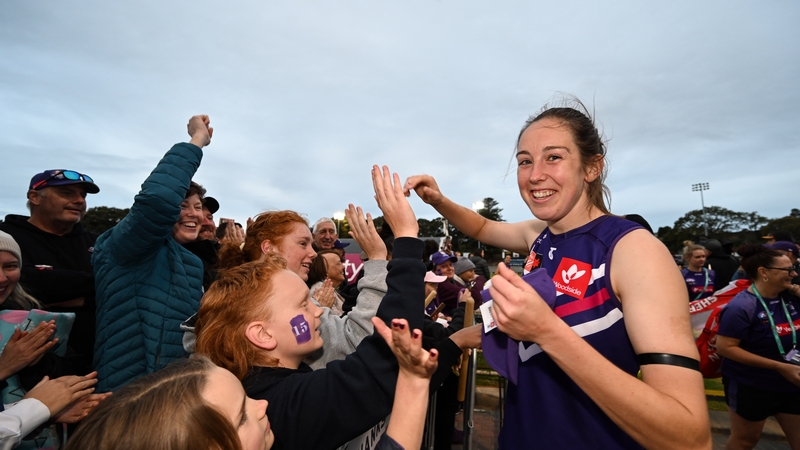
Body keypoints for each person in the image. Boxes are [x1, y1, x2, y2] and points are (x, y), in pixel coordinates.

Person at [405, 100, 711, 448]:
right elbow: (482, 225)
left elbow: (689, 436)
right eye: (524, 161)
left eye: (553, 157)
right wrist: (438, 200)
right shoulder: (539, 235)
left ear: (592, 167)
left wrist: (546, 332)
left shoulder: (633, 251)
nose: (535, 175)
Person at [194, 166, 475, 450]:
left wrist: (454, 342)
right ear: (262, 333)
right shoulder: (282, 404)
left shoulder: (285, 385)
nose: (318, 311)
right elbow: (379, 363)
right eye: (303, 305)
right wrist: (405, 237)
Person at [92, 115, 213, 392]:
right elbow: (158, 200)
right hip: (125, 393)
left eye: (198, 206)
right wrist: (196, 141)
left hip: (174, 392)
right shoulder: (123, 246)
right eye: (183, 205)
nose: (194, 213)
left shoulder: (191, 263)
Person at [216, 207, 389, 370]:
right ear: (269, 249)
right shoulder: (273, 302)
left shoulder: (231, 293)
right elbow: (356, 341)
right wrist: (377, 259)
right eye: (302, 243)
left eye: (311, 244)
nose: (313, 253)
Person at [0, 169, 100, 373]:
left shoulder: (99, 242)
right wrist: (96, 286)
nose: (79, 200)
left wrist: (85, 299)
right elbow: (28, 284)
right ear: (35, 197)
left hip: (96, 363)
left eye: (83, 195)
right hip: (22, 370)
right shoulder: (8, 237)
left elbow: (122, 285)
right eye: (67, 193)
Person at [715, 244, 800, 449]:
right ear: (764, 272)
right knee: (746, 440)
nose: (794, 273)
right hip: (751, 385)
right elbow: (725, 348)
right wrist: (780, 366)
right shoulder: (741, 306)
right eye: (788, 270)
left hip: (792, 383)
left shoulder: (792, 298)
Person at [307, 250, 346, 315]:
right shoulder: (321, 291)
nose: (343, 267)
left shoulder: (326, 289)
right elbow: (336, 320)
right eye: (338, 264)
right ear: (325, 271)